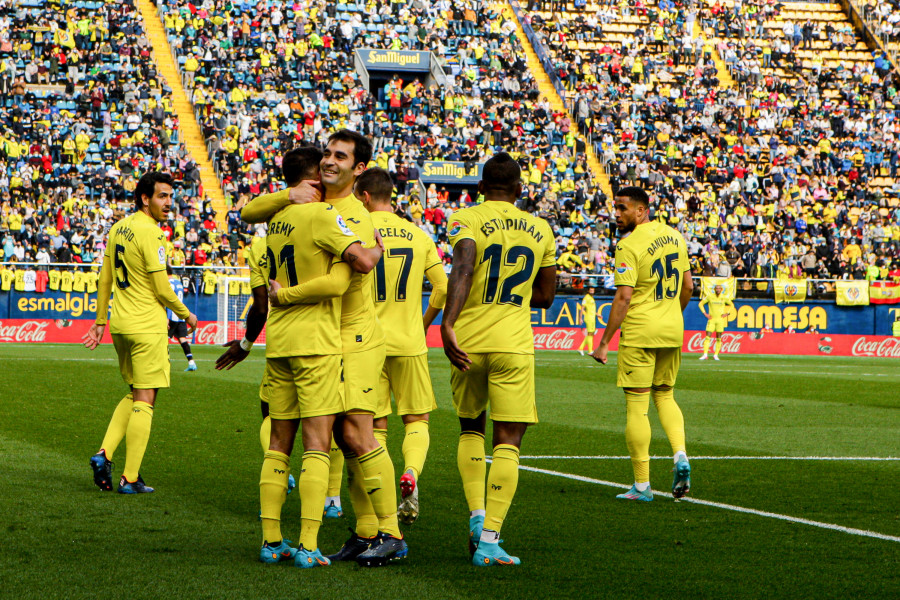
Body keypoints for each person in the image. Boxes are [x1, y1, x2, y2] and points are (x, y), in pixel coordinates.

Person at [242, 131, 406, 567]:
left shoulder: (355, 214)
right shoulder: (311, 207)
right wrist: (288, 193)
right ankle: (366, 530)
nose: (330, 162)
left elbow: (345, 279)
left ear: (358, 169)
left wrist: (284, 295)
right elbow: (248, 211)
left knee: (354, 434)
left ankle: (389, 530)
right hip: (324, 339)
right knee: (338, 438)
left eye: (340, 157)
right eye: (327, 154)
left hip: (354, 339)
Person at [441, 152, 557, 566]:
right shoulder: (541, 228)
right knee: (508, 441)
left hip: (467, 341)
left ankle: (475, 514)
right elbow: (545, 296)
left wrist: (448, 322)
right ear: (520, 190)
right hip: (512, 343)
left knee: (471, 428)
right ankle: (490, 540)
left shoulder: (465, 218)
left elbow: (463, 266)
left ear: (480, 189)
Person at [214, 147, 329, 511]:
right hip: (323, 336)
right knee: (324, 433)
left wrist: (247, 344)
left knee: (275, 426)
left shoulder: (265, 236)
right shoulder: (326, 216)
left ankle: (272, 535)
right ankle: (331, 507)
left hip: (280, 339)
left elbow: (262, 305)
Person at [82, 172, 198, 494]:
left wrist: (100, 321)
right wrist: (186, 314)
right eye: (162, 196)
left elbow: (104, 279)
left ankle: (104, 453)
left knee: (135, 392)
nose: (168, 203)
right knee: (147, 399)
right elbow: (161, 287)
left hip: (120, 325)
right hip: (147, 327)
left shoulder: (117, 228)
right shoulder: (152, 233)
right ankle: (130, 478)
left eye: (170, 197)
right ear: (145, 198)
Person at [358, 167, 448, 524]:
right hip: (409, 341)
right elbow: (441, 288)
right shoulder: (418, 234)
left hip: (368, 343)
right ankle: (411, 471)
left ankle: (384, 505)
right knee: (417, 419)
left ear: (364, 196)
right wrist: (422, 324)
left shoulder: (358, 232)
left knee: (374, 426)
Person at [591, 186, 692, 503]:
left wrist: (605, 341)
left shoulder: (628, 245)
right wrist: (671, 314)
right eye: (615, 208)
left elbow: (623, 297)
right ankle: (680, 455)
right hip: (672, 328)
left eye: (622, 208)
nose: (616, 214)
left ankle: (642, 486)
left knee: (637, 405)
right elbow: (688, 286)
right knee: (665, 394)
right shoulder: (675, 237)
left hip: (640, 331)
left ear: (641, 210)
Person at [166, 265, 197, 371]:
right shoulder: (178, 282)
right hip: (180, 316)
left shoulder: (168, 283)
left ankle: (164, 363)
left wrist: (167, 317)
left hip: (171, 316)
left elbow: (170, 301)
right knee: (182, 339)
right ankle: (192, 363)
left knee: (163, 340)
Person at [698, 284, 733, 360]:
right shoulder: (710, 296)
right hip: (712, 319)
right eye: (716, 288)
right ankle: (705, 354)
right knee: (708, 336)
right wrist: (705, 313)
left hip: (720, 320)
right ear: (714, 289)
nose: (717, 290)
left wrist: (727, 313)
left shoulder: (724, 297)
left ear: (721, 289)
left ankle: (716, 355)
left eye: (719, 288)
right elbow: (700, 304)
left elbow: (731, 305)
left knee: (719, 337)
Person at [576, 286, 600, 355]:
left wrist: (597, 314)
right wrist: (580, 318)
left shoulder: (591, 298)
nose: (592, 291)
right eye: (591, 290)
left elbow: (591, 309)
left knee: (591, 333)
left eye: (593, 290)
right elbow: (582, 308)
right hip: (589, 318)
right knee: (590, 333)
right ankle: (590, 351)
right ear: (588, 291)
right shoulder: (586, 298)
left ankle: (580, 348)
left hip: (592, 317)